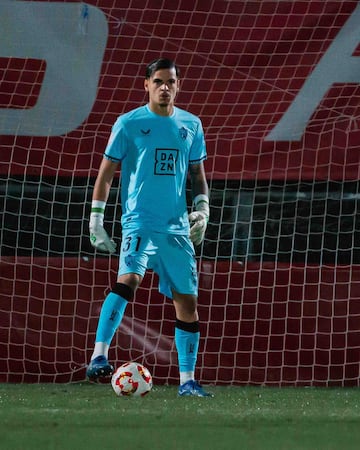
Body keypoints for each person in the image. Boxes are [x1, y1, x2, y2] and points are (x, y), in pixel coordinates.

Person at [86, 58, 212, 397]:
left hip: (176, 228)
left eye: (170, 81)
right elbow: (107, 173)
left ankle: (187, 382)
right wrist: (96, 217)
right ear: (146, 85)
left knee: (187, 303)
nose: (164, 87)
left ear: (178, 85)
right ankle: (99, 356)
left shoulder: (191, 125)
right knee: (129, 280)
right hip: (139, 220)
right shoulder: (128, 124)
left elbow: (198, 176)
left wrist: (203, 209)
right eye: (158, 81)